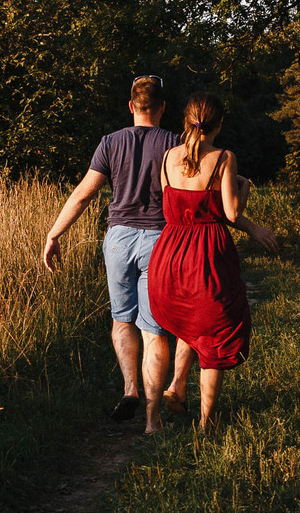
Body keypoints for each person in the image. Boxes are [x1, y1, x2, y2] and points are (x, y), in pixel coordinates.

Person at [41, 75, 181, 420]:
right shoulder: (175, 144)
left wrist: (54, 234)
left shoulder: (110, 142)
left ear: (131, 106)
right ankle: (153, 419)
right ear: (163, 107)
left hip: (118, 240)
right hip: (159, 241)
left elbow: (84, 193)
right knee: (154, 330)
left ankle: (129, 388)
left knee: (122, 320)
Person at [144, 92, 280, 432]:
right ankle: (206, 423)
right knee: (216, 332)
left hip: (170, 254)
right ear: (219, 123)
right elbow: (231, 213)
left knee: (190, 320)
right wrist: (243, 188)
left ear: (186, 121)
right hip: (207, 256)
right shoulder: (224, 158)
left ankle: (176, 385)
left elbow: (169, 206)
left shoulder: (166, 158)